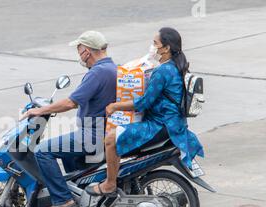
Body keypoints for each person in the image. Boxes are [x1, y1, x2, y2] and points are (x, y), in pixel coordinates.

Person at [86, 27, 205, 196]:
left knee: (111, 138)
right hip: (174, 124)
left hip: (160, 126)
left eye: (155, 43)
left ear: (166, 48)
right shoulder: (177, 66)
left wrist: (115, 106)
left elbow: (144, 103)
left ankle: (109, 184)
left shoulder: (163, 71)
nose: (152, 47)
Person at [22, 31, 117, 207]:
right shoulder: (112, 68)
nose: (78, 53)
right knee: (66, 153)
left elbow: (70, 102)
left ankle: (64, 201)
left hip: (94, 134)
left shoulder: (97, 73)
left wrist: (40, 110)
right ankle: (82, 195)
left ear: (87, 51)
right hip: (103, 130)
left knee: (43, 150)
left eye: (79, 49)